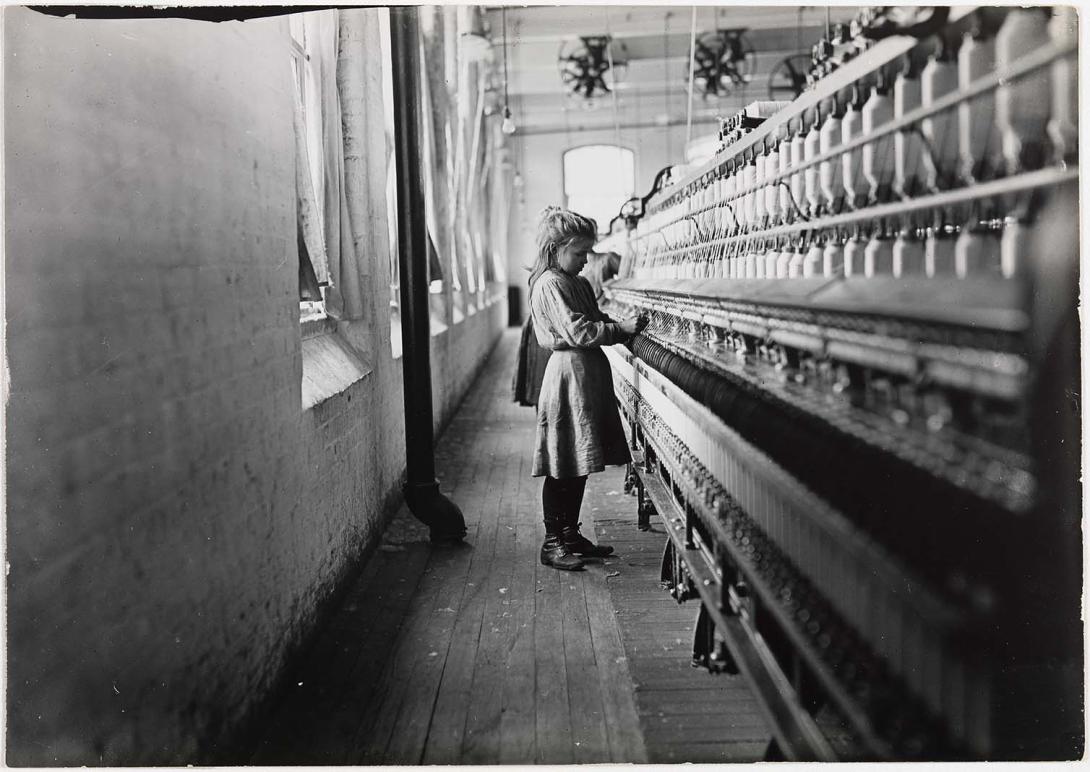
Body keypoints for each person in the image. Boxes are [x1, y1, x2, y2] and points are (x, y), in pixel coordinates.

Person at [528, 207, 647, 571]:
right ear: (555, 249)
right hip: (568, 376)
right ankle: (552, 543)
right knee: (561, 461)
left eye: (587, 253)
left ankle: (571, 533)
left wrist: (621, 324)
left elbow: (595, 320)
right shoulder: (549, 283)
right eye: (579, 253)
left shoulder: (577, 282)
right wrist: (620, 330)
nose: (585, 261)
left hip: (589, 374)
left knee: (578, 460)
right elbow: (578, 332)